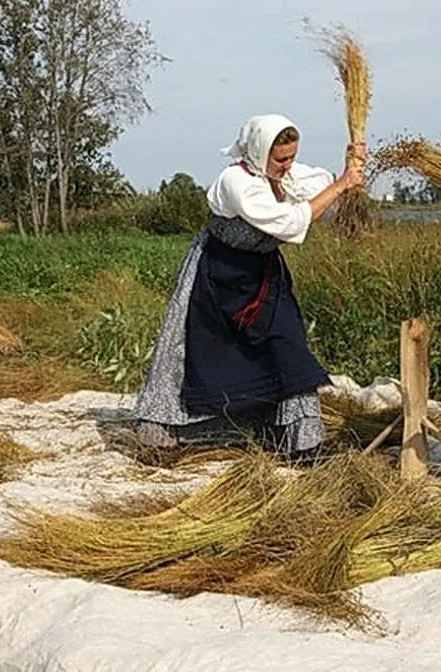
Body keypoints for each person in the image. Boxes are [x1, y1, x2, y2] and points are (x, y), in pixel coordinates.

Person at [132, 114, 365, 456]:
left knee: (288, 346)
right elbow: (288, 222)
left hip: (263, 278)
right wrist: (341, 184)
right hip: (217, 277)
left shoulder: (288, 175)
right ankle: (175, 429)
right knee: (201, 352)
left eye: (291, 157)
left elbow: (326, 198)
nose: (288, 165)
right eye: (281, 158)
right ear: (258, 152)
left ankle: (302, 444)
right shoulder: (236, 182)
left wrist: (349, 171)